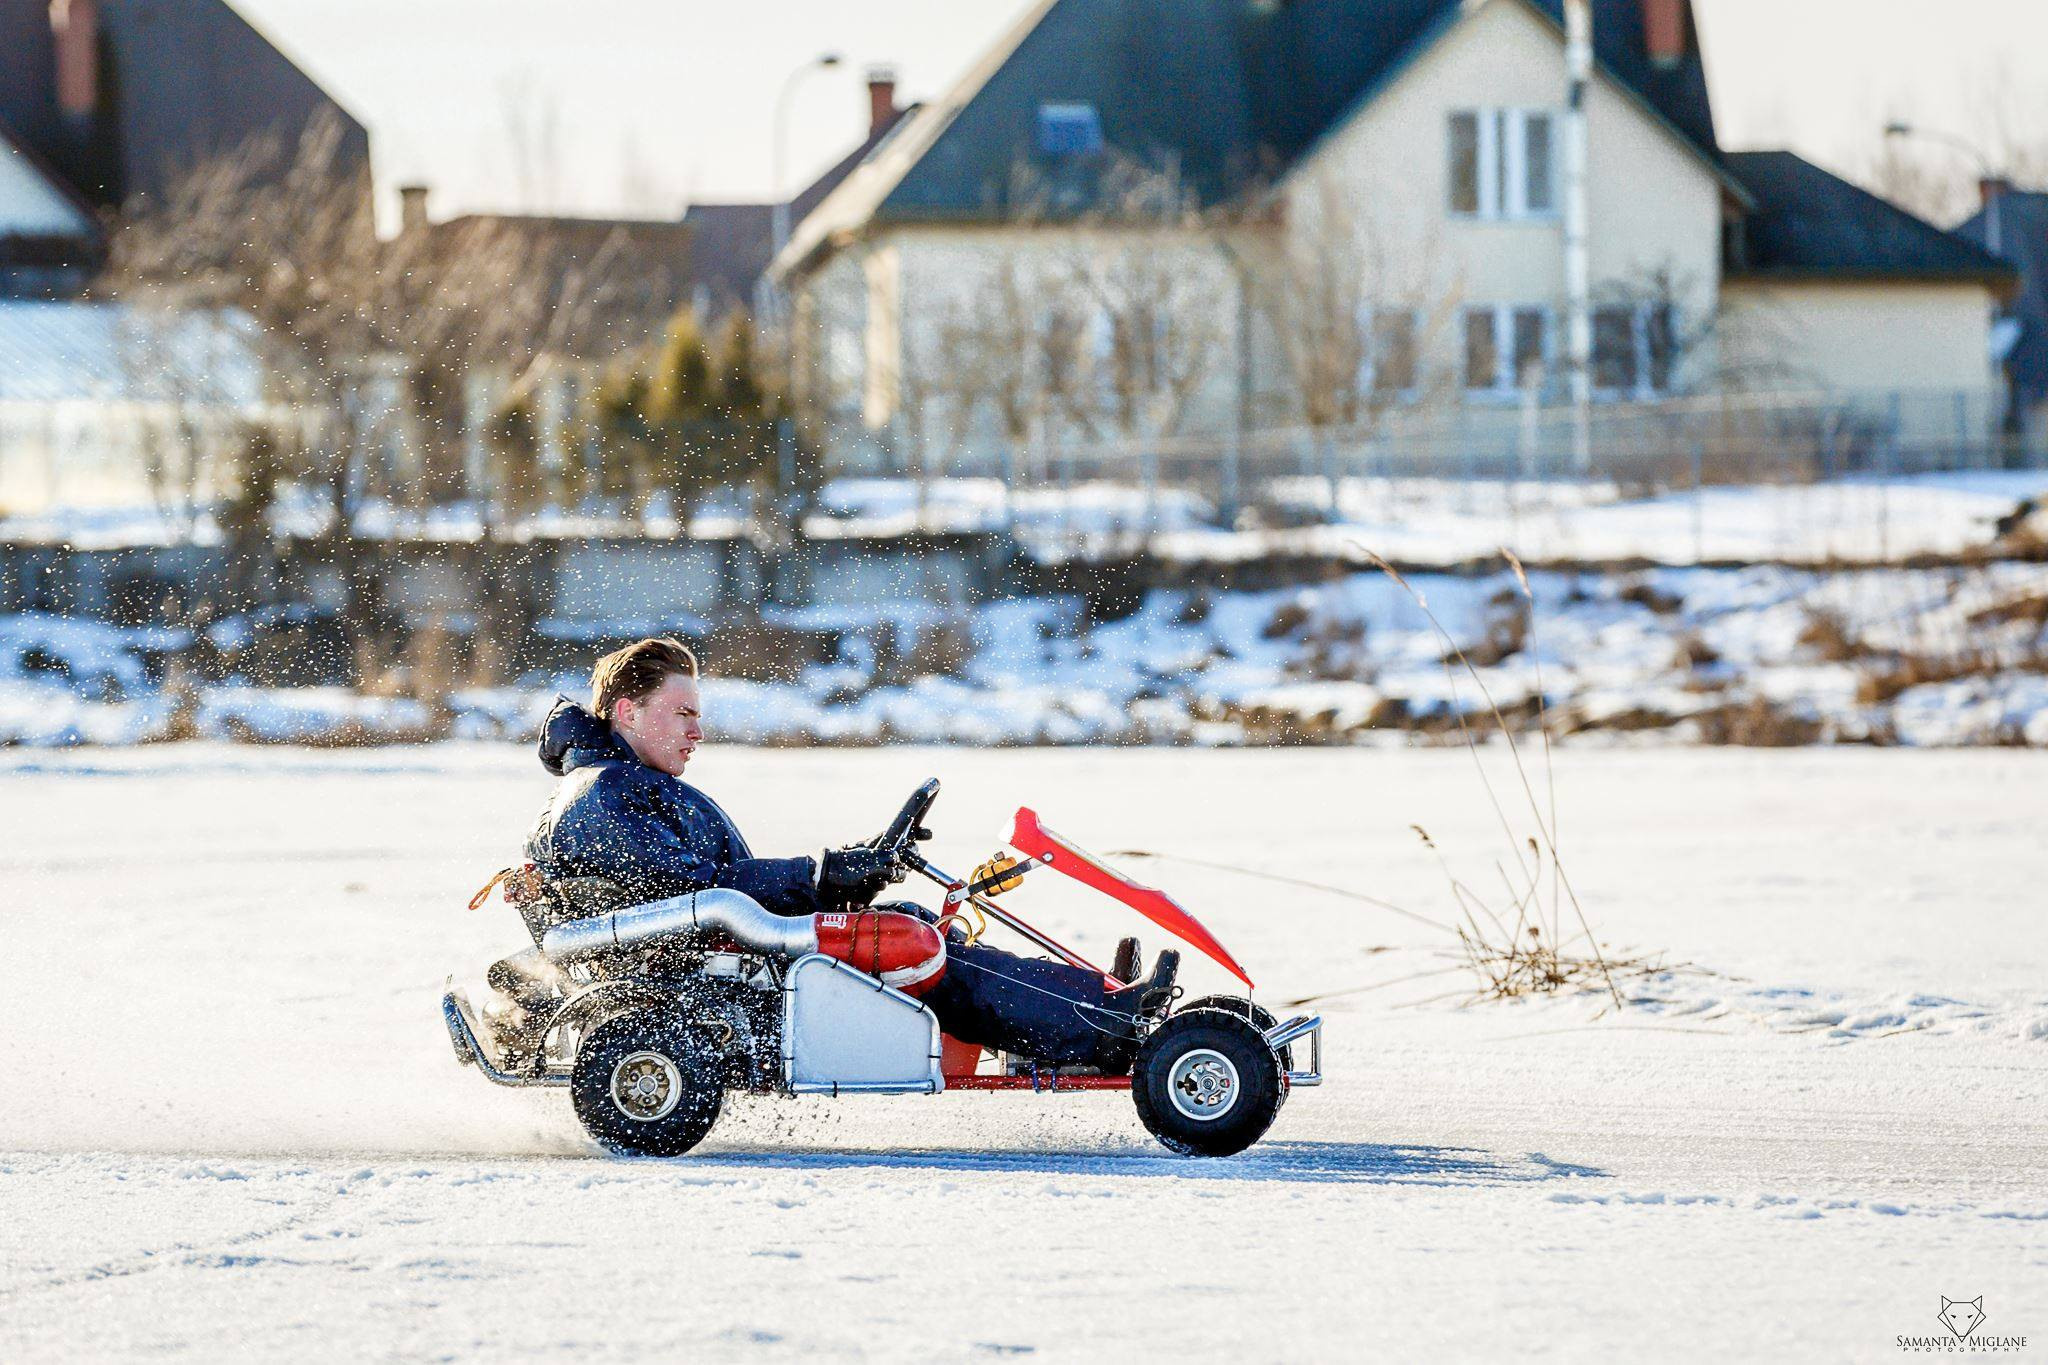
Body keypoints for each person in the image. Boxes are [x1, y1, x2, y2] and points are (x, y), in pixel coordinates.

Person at [516, 637, 1177, 1071]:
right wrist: (823, 875)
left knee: (920, 922)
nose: (699, 730)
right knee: (915, 939)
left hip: (721, 952)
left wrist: (838, 876)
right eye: (683, 712)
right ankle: (1097, 1025)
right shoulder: (605, 793)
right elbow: (686, 892)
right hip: (703, 971)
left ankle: (1092, 1005)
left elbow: (705, 884)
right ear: (628, 712)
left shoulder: (623, 786)